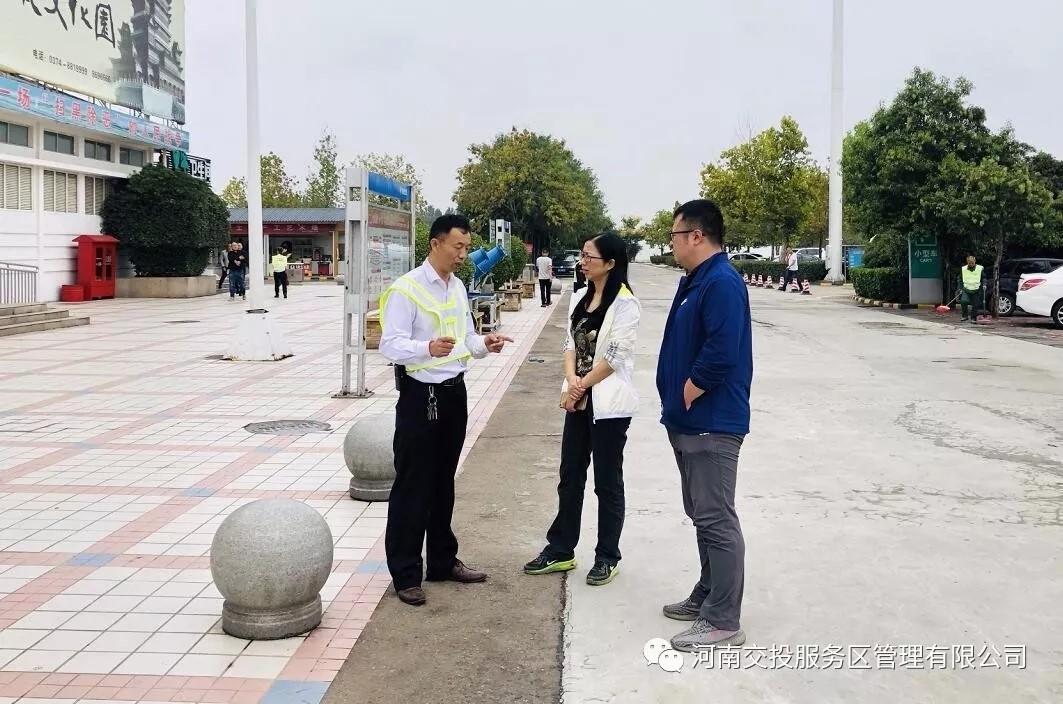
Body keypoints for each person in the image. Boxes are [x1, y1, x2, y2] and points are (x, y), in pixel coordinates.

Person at [377, 214, 514, 607]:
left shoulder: (456, 287)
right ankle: (406, 574)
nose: (463, 254)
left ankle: (442, 561)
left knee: (443, 482)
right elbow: (390, 344)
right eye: (458, 246)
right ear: (435, 244)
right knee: (412, 485)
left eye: (466, 248)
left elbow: (465, 336)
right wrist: (426, 349)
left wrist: (484, 344)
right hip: (420, 397)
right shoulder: (407, 289)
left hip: (454, 395)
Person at [656, 199, 753, 652]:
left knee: (716, 517)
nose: (671, 244)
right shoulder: (696, 280)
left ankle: (722, 620)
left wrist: (690, 389)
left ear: (696, 235)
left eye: (675, 236)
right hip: (687, 419)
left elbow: (722, 349)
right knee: (701, 514)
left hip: (711, 420)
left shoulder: (722, 282)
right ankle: (708, 593)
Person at [523, 233, 641, 586]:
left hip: (608, 406)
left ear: (610, 263)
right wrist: (572, 381)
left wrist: (580, 385)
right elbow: (569, 344)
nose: (583, 262)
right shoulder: (579, 296)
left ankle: (607, 556)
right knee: (570, 476)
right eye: (583, 255)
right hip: (577, 400)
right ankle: (561, 549)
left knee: (607, 481)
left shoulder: (626, 304)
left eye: (590, 257)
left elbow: (615, 356)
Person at [959, 254, 985, 322]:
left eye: (972, 262)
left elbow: (984, 278)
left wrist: (984, 284)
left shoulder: (980, 269)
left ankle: (973, 318)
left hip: (976, 289)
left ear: (975, 261)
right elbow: (960, 279)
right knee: (963, 301)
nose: (971, 264)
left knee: (975, 304)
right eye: (969, 263)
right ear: (967, 262)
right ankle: (965, 316)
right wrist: (960, 288)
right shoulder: (963, 269)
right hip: (966, 288)